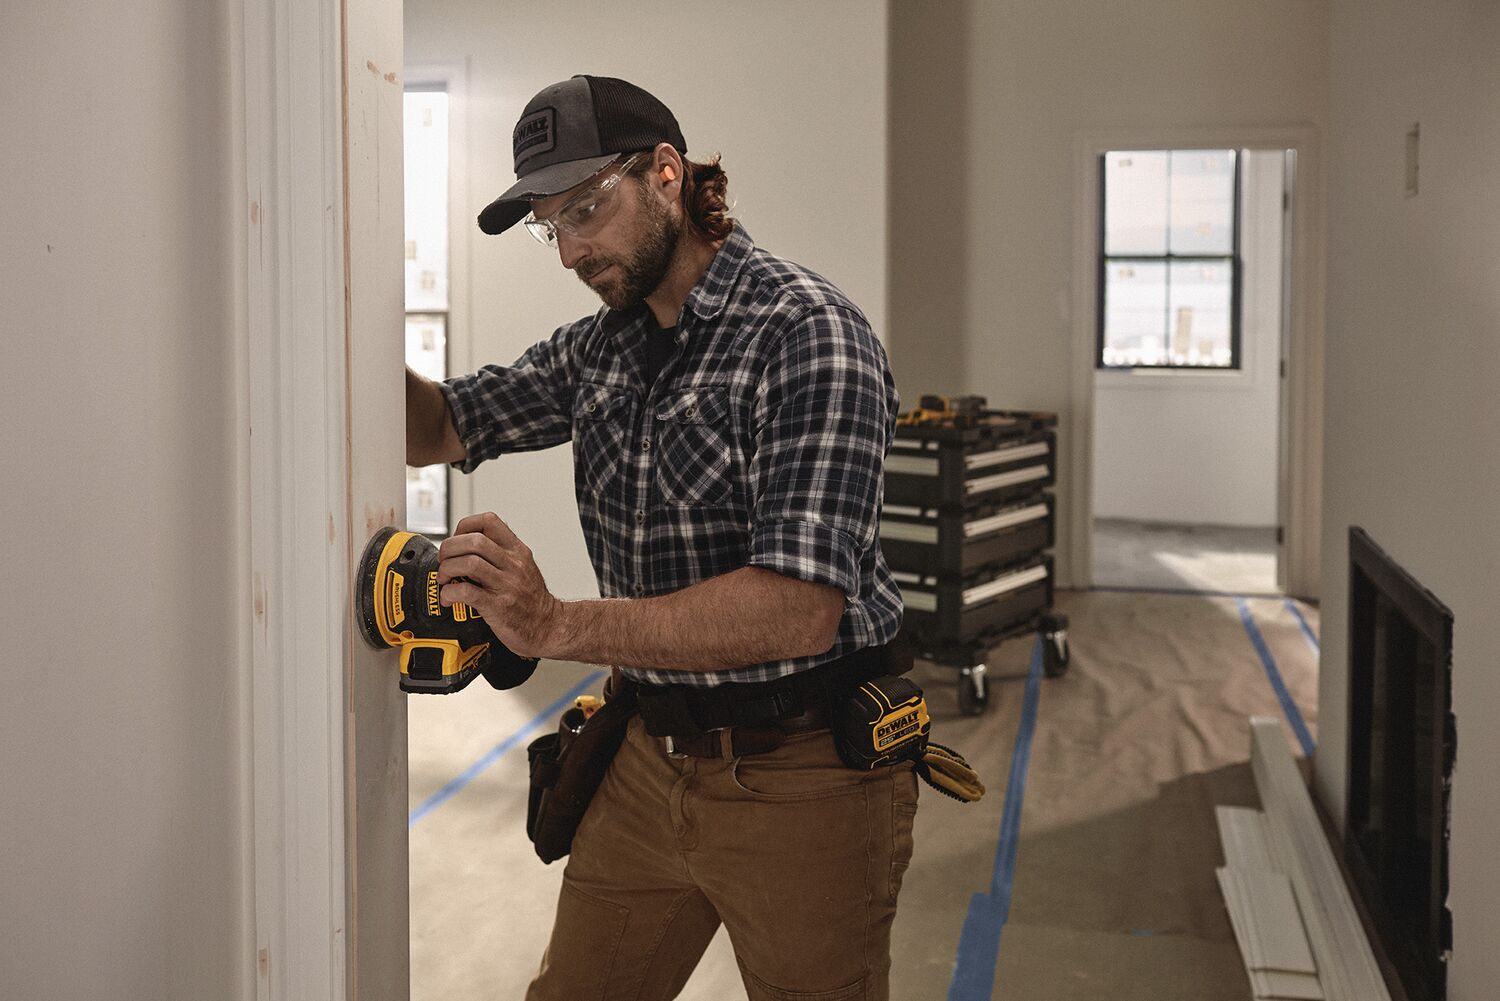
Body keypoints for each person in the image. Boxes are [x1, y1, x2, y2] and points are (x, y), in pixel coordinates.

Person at [404, 74, 914, 1001]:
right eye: (549, 226)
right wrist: (345, 322)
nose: (569, 250)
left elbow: (797, 609)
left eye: (586, 209)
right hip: (648, 756)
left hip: (805, 777)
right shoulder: (602, 348)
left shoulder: (807, 334)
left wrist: (556, 624)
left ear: (669, 176)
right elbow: (436, 424)